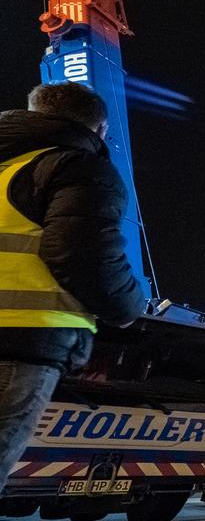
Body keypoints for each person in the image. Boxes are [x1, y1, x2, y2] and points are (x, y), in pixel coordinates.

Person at [0, 83, 147, 494]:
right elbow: (80, 255)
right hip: (18, 342)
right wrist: (133, 303)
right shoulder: (74, 167)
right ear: (99, 130)